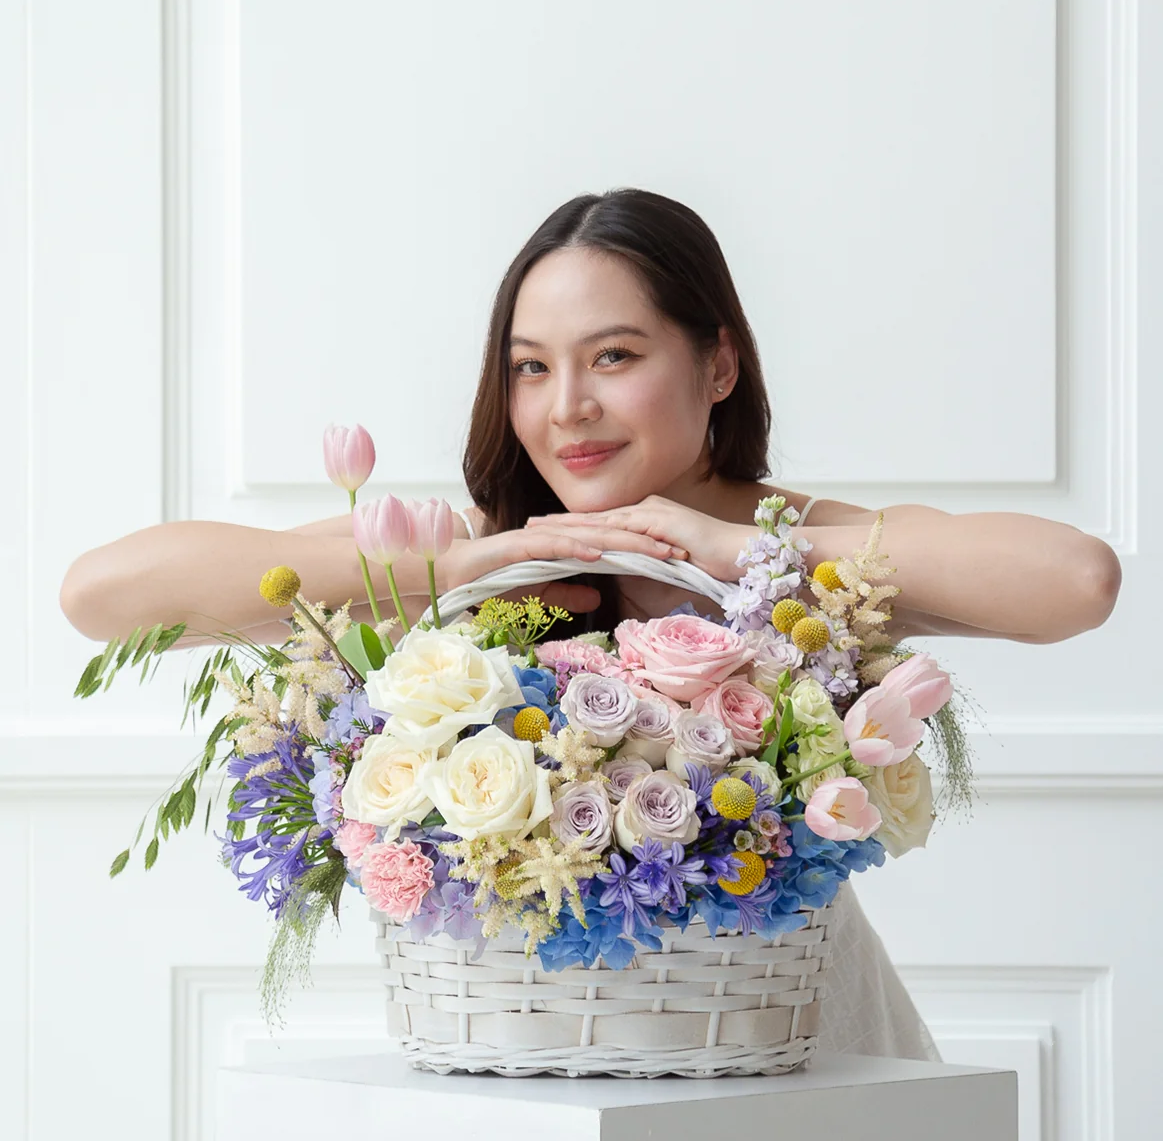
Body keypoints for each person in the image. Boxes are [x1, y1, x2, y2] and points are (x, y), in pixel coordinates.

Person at [59, 186, 1122, 1059]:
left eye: (612, 356)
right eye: (531, 365)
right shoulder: (488, 549)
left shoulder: (791, 547)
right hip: (533, 1046)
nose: (564, 404)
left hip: (789, 1042)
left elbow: (1072, 580)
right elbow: (102, 595)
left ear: (716, 363)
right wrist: (451, 563)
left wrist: (741, 552)